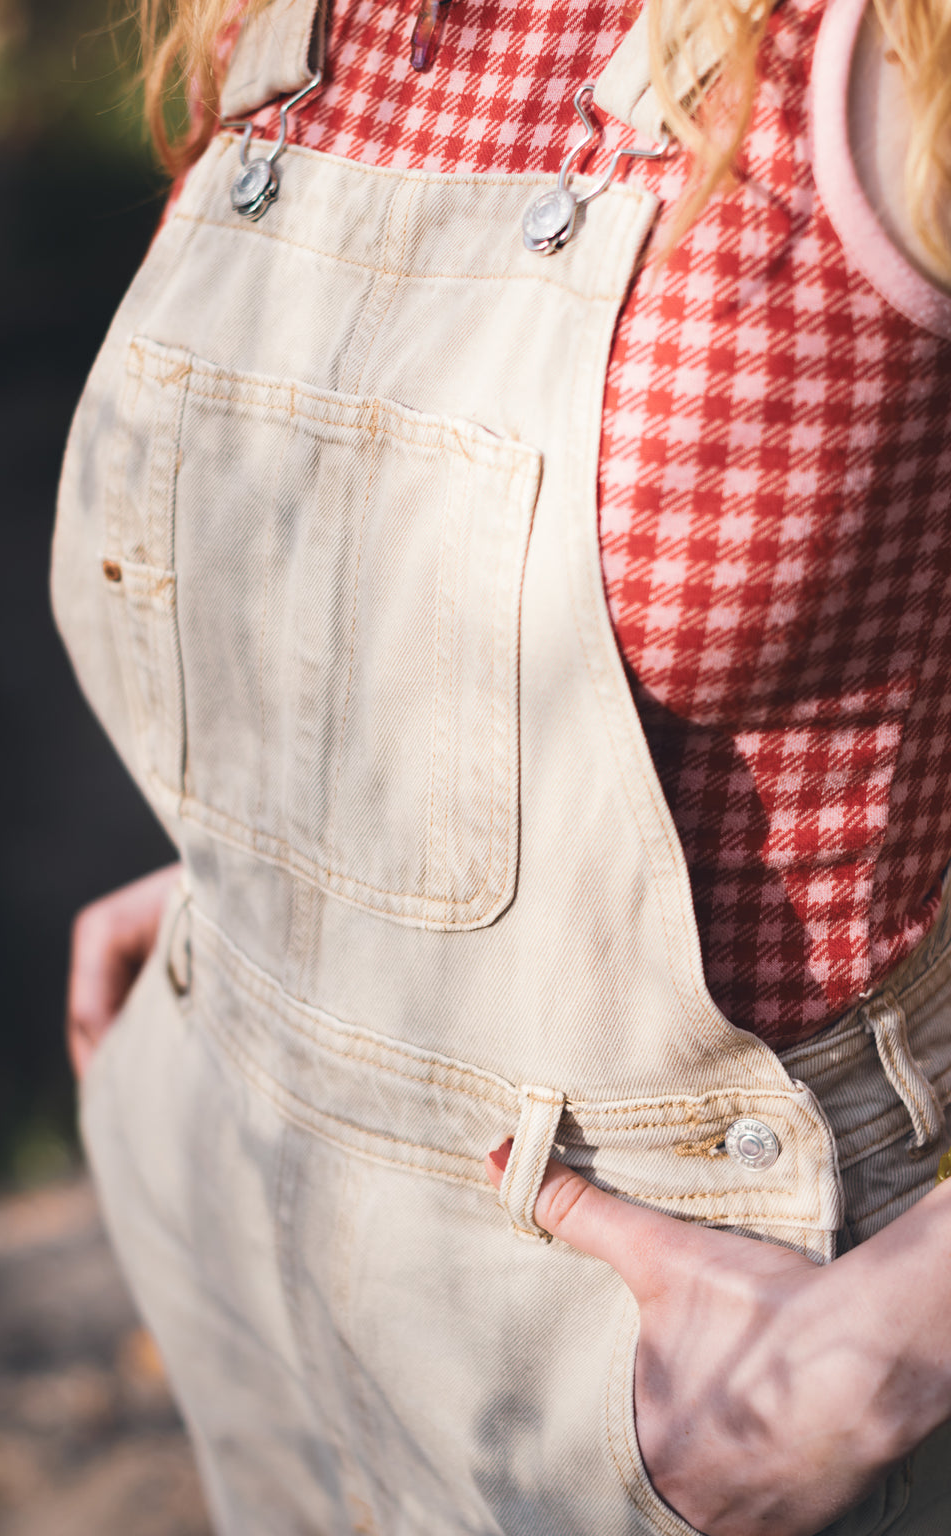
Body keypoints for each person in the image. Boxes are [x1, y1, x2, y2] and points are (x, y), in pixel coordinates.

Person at [56, 0, 951, 1526]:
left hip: (677, 1376)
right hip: (253, 1280)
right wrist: (291, 845)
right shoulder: (287, 22)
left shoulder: (888, 52)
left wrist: (882, 1348)